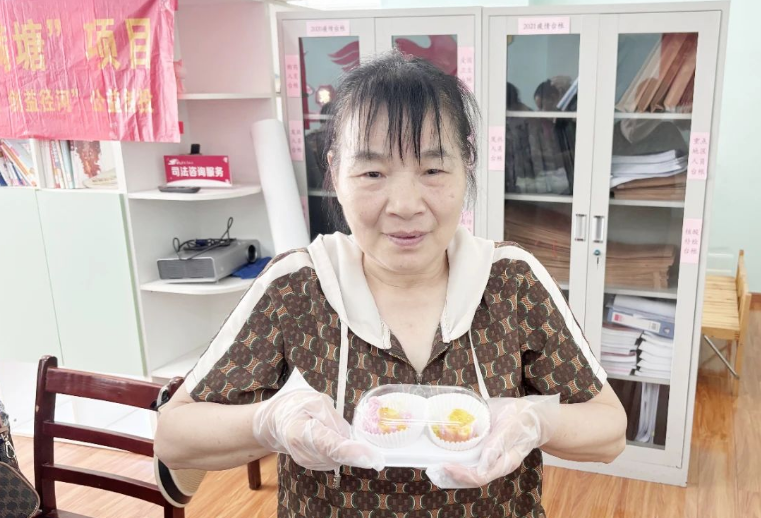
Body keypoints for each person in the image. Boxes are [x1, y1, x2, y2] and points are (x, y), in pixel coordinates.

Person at [154, 51, 627, 517]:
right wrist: (269, 421)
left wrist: (536, 421)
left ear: (467, 164)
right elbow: (174, 437)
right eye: (373, 173)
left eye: (432, 170)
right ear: (335, 172)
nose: (404, 205)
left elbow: (610, 429)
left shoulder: (511, 281)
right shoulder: (297, 286)